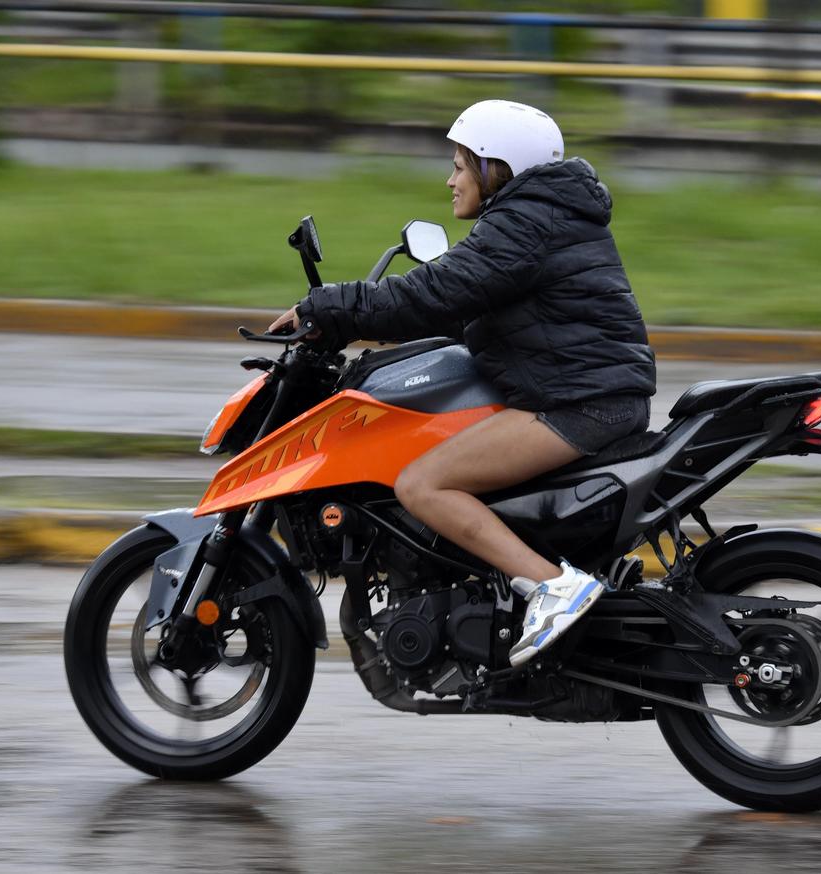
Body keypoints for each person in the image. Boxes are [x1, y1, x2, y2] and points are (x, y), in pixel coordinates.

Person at [269, 99, 656, 666]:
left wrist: (331, 308)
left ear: (494, 167)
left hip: (579, 404)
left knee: (422, 485)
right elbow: (459, 309)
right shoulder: (539, 215)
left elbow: (434, 295)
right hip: (584, 393)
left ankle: (552, 587)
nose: (450, 179)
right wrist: (364, 329)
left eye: (460, 164)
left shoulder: (524, 223)